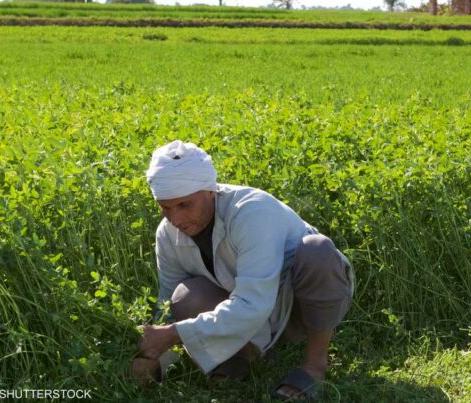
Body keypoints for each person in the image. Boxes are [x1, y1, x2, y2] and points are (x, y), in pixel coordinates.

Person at [132, 140, 354, 400]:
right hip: (248, 305)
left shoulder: (252, 212)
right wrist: (155, 360)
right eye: (166, 208)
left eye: (185, 205)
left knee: (318, 250)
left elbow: (254, 303)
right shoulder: (167, 234)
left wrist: (172, 335)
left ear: (210, 191)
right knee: (184, 296)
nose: (176, 220)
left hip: (298, 306)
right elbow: (167, 306)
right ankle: (245, 357)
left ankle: (314, 367)